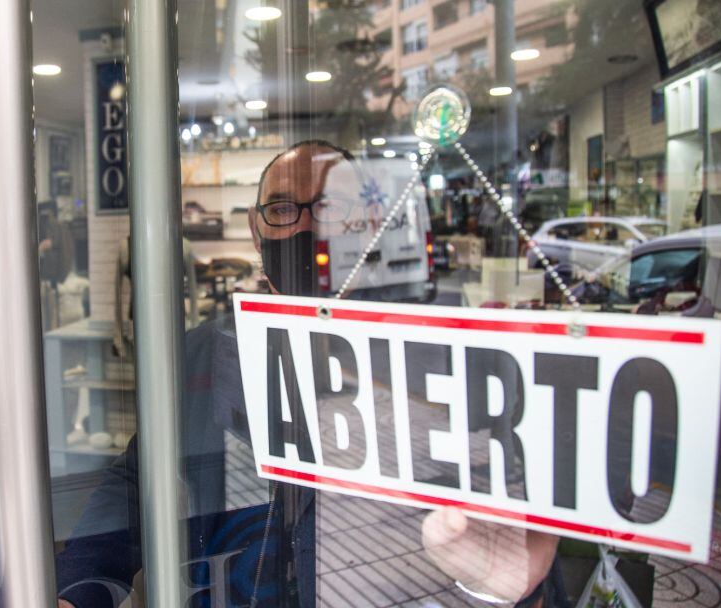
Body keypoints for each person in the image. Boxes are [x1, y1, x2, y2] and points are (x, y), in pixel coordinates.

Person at [56, 140, 563, 607]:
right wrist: (80, 588)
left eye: (327, 209)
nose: (302, 227)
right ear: (257, 232)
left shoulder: (430, 362)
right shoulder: (204, 354)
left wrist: (496, 591)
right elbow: (138, 479)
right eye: (281, 210)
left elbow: (498, 550)